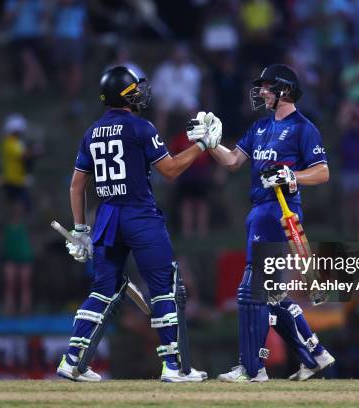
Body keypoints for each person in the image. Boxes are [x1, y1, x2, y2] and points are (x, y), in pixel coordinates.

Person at [57, 66, 209, 382]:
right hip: (139, 214)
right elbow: (169, 170)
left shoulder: (92, 131)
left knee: (101, 291)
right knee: (165, 287)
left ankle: (72, 360)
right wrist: (202, 146)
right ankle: (173, 366)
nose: (140, 93)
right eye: (134, 89)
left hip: (107, 217)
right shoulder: (141, 127)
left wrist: (80, 229)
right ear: (123, 95)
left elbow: (76, 185)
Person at [188, 64, 335, 382]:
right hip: (259, 210)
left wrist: (292, 175)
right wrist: (209, 143)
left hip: (279, 212)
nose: (262, 92)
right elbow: (231, 162)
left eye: (267, 86)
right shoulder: (258, 128)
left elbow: (322, 172)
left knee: (251, 290)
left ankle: (252, 369)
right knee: (271, 295)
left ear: (285, 89)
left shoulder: (303, 128)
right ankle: (315, 355)